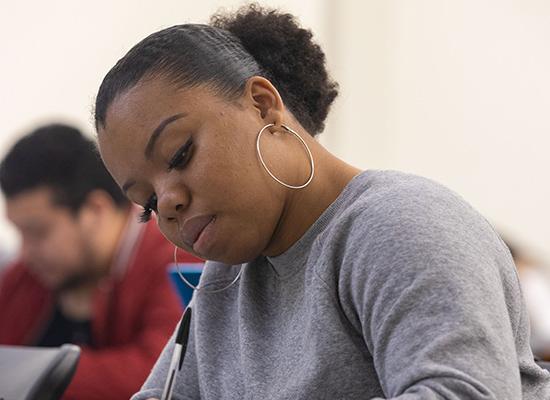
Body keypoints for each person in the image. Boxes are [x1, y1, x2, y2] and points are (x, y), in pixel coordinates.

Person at [94, 5, 550, 399]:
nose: (169, 203)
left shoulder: (399, 224)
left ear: (261, 104)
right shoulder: (224, 282)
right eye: (147, 202)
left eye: (180, 154)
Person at [0, 124, 201, 400]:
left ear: (96, 210)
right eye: (19, 232)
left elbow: (163, 373)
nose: (25, 250)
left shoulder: (176, 260)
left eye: (38, 232)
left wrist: (30, 373)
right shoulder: (26, 276)